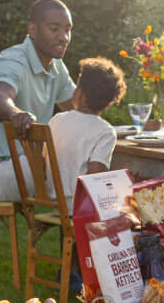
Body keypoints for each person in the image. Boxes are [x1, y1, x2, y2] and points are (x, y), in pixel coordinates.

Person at [0, 0, 76, 201]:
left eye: (67, 29)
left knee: (86, 154)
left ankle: (74, 227)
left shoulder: (57, 67)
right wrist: (16, 114)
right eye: (54, 29)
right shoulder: (13, 61)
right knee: (67, 164)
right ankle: (75, 226)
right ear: (32, 29)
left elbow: (77, 109)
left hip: (22, 163)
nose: (63, 37)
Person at [47, 56, 126, 203]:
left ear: (79, 93)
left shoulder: (57, 119)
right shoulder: (105, 131)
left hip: (52, 201)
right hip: (80, 207)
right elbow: (96, 176)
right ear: (108, 104)